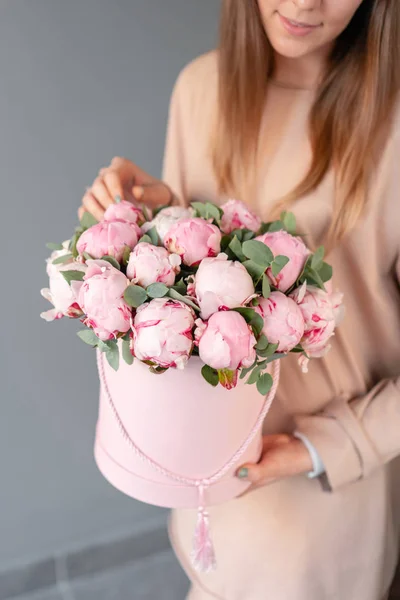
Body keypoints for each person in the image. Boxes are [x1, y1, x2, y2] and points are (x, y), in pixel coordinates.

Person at [78, 1, 400, 598]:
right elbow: (200, 290)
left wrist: (323, 448)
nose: (305, 2)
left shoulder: (393, 124)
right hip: (206, 484)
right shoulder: (200, 88)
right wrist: (157, 209)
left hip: (319, 506)